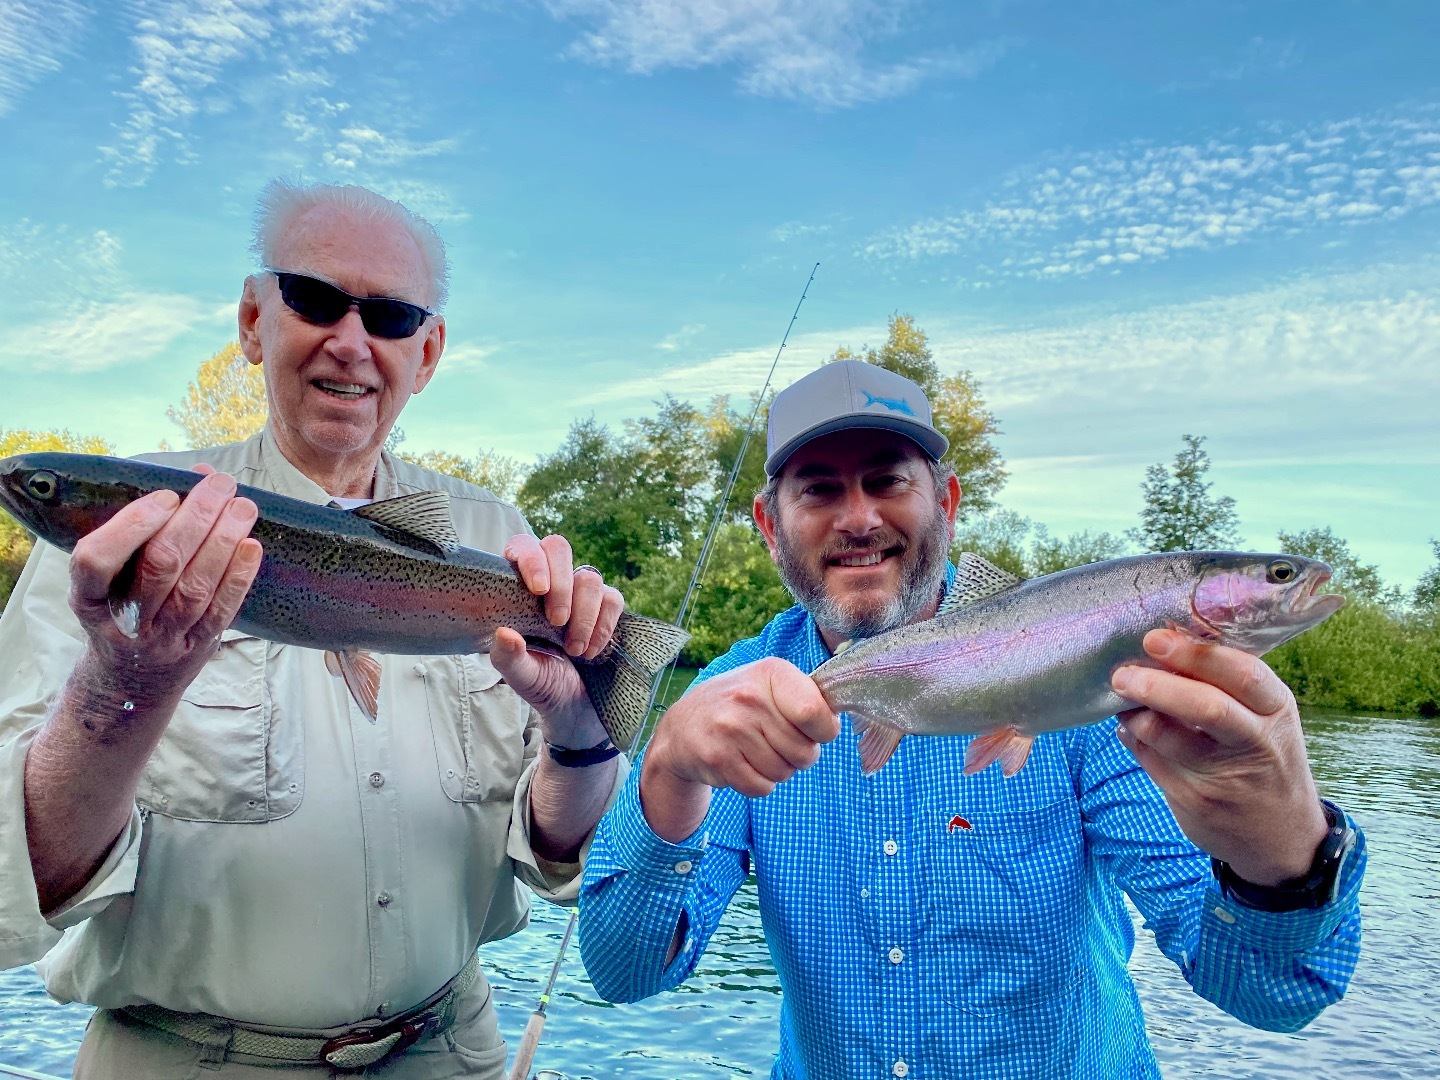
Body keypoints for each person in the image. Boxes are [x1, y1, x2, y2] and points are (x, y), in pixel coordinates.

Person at [577, 360, 1366, 1079]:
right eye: (819, 488)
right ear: (768, 522)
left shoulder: (1102, 687)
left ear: (946, 502)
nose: (858, 518)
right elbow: (625, 977)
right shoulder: (733, 698)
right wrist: (665, 777)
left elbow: (1275, 997)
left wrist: (1281, 851)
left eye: (888, 480)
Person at [0, 180, 631, 1078]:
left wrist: (580, 731)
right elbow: (13, 886)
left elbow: (553, 854)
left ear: (429, 349)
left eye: (390, 314)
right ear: (254, 319)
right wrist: (123, 688)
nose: (350, 340)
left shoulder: (499, 540)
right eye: (314, 298)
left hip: (452, 1047)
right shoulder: (125, 534)